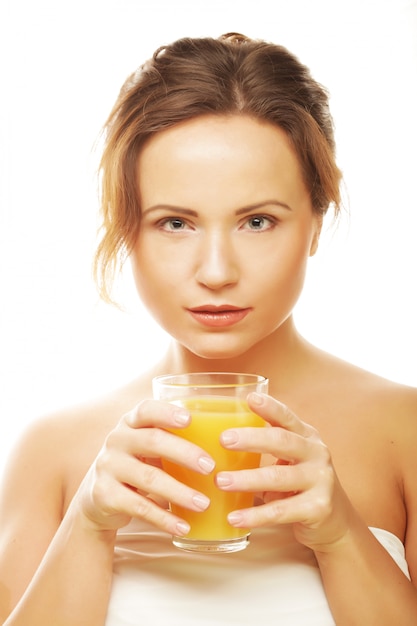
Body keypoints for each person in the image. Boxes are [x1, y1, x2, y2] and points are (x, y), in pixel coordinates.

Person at [0, 32, 416, 626]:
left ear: (317, 222)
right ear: (127, 231)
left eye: (257, 221)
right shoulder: (53, 453)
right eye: (175, 222)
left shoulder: (406, 433)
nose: (217, 272)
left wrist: (341, 535)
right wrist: (88, 527)